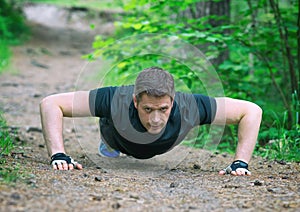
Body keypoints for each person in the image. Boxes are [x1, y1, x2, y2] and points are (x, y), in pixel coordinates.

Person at [39, 67, 262, 176]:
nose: (156, 119)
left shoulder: (190, 106)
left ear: (173, 102)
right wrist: (58, 153)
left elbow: (251, 111)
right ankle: (107, 142)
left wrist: (240, 162)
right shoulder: (116, 98)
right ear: (135, 101)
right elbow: (51, 104)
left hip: (159, 147)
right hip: (117, 137)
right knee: (112, 131)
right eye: (148, 109)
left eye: (163, 109)